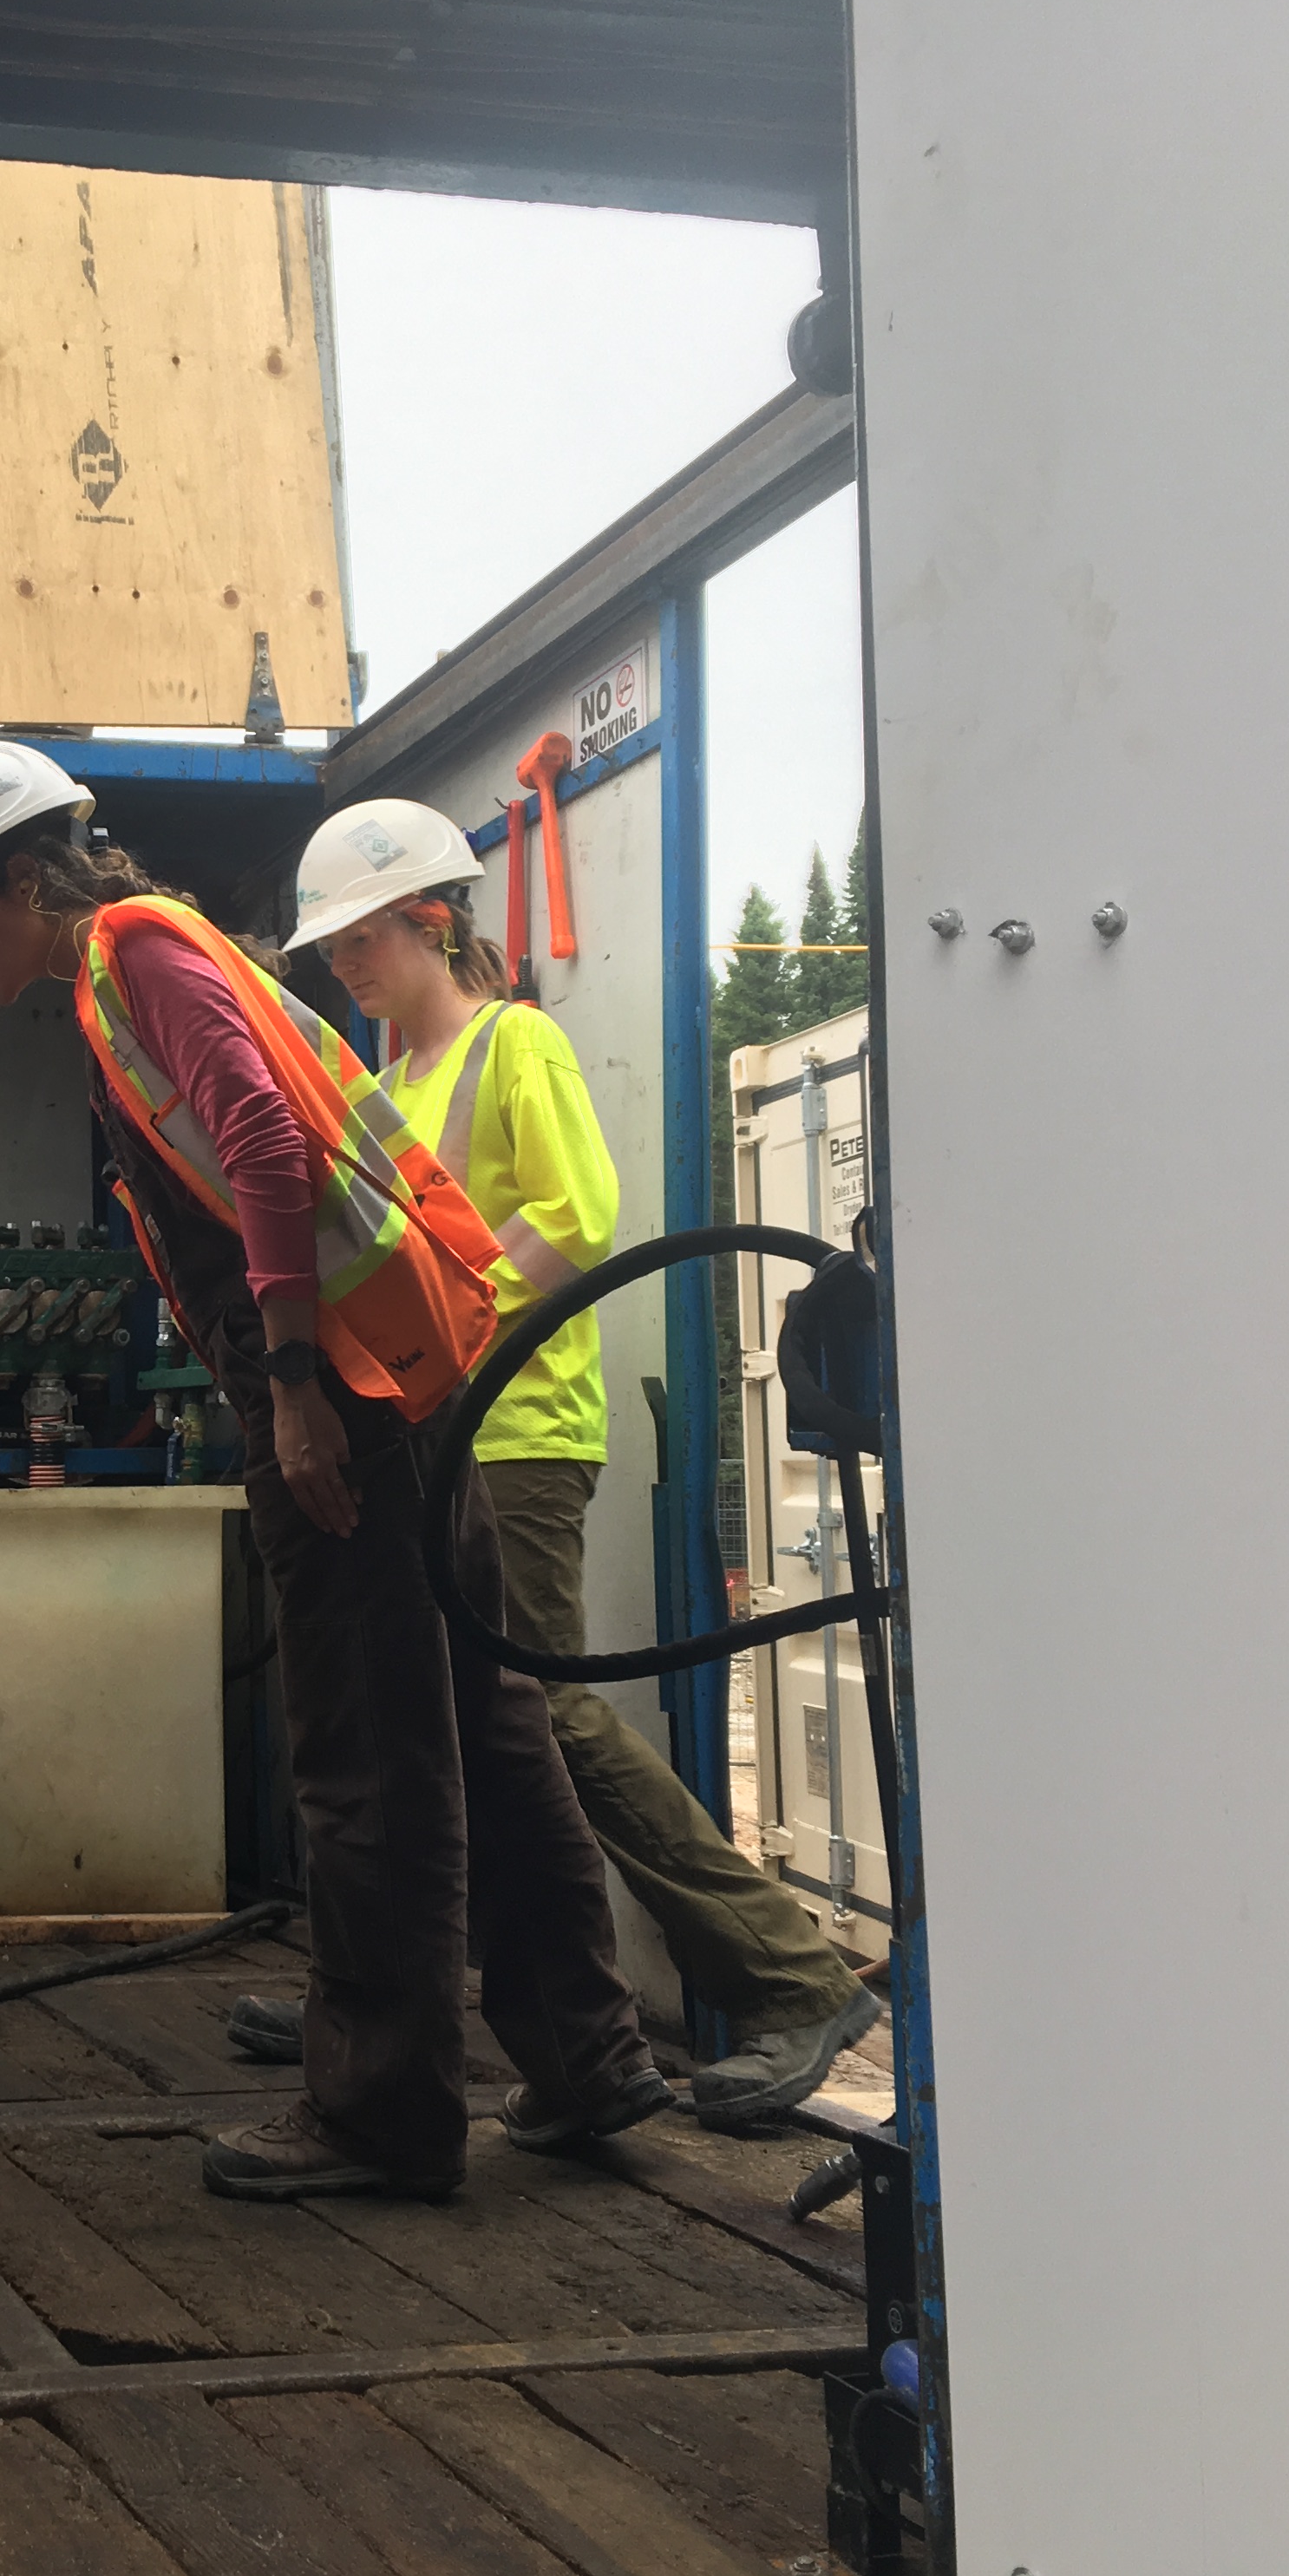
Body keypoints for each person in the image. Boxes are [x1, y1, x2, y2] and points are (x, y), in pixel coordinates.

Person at [0, 742, 666, 2200]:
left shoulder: (134, 955)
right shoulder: (160, 955)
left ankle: (380, 2109)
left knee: (368, 1754)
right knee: (489, 1721)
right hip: (396, 1377)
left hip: (345, 1391)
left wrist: (292, 1381)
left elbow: (257, 1139)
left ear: (21, 877)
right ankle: (587, 2052)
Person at [226, 799, 882, 2126]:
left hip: (515, 1435)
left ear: (430, 920)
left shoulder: (512, 1045)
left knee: (546, 1712)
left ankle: (793, 1975)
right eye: (332, 946)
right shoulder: (391, 1085)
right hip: (437, 1438)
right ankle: (479, 2022)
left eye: (361, 936)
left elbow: (576, 1218)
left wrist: (446, 1342)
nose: (343, 964)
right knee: (467, 1729)